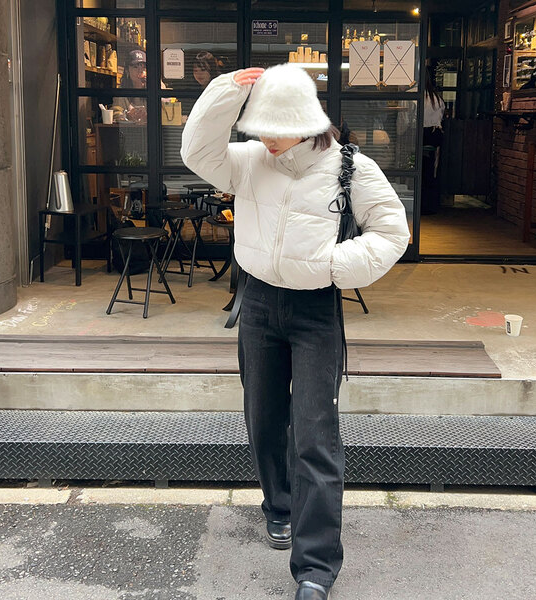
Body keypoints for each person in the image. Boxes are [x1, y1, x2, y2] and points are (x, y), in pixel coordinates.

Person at [181, 64, 410, 600]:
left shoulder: (350, 167)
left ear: (306, 123)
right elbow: (197, 151)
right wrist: (226, 91)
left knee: (315, 435)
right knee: (263, 420)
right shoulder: (248, 162)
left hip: (315, 312)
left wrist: (333, 266)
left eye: (276, 130)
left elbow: (391, 230)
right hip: (258, 305)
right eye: (260, 127)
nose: (267, 139)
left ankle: (315, 568)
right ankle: (279, 507)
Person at [422, 67, 445, 214]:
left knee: (418, 169)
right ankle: (430, 205)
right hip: (435, 135)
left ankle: (420, 204)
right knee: (432, 170)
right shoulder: (437, 99)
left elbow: (405, 122)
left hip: (421, 135)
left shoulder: (414, 96)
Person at [112, 49, 147, 122]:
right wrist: (126, 115)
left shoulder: (154, 88)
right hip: (130, 129)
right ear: (127, 70)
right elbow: (115, 113)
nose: (141, 70)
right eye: (135, 67)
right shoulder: (123, 91)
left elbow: (165, 108)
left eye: (144, 67)